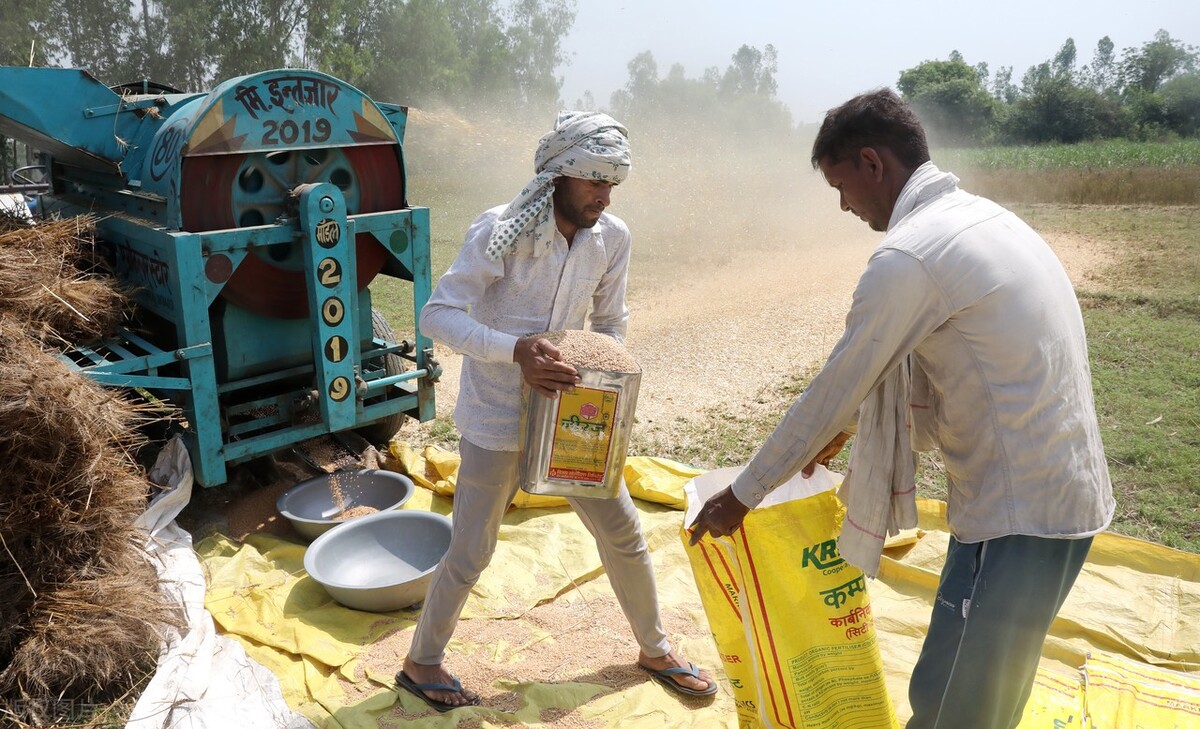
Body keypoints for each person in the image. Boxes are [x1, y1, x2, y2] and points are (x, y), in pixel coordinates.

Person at [688, 89, 1115, 728]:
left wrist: (743, 494)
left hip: (1025, 512)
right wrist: (847, 426)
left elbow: (833, 389)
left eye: (840, 185)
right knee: (943, 686)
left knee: (973, 707)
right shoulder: (982, 218)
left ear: (872, 163)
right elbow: (897, 373)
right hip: (1025, 498)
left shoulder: (911, 255)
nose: (844, 205)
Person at [397, 111, 717, 712]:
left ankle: (655, 648)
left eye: (611, 183)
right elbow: (436, 315)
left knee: (622, 530)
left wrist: (607, 376)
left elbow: (610, 321)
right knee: (472, 549)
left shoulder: (612, 238)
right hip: (496, 417)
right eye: (593, 180)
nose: (603, 193)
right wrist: (514, 351)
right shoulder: (502, 229)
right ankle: (422, 662)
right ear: (557, 176)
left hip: (572, 421)